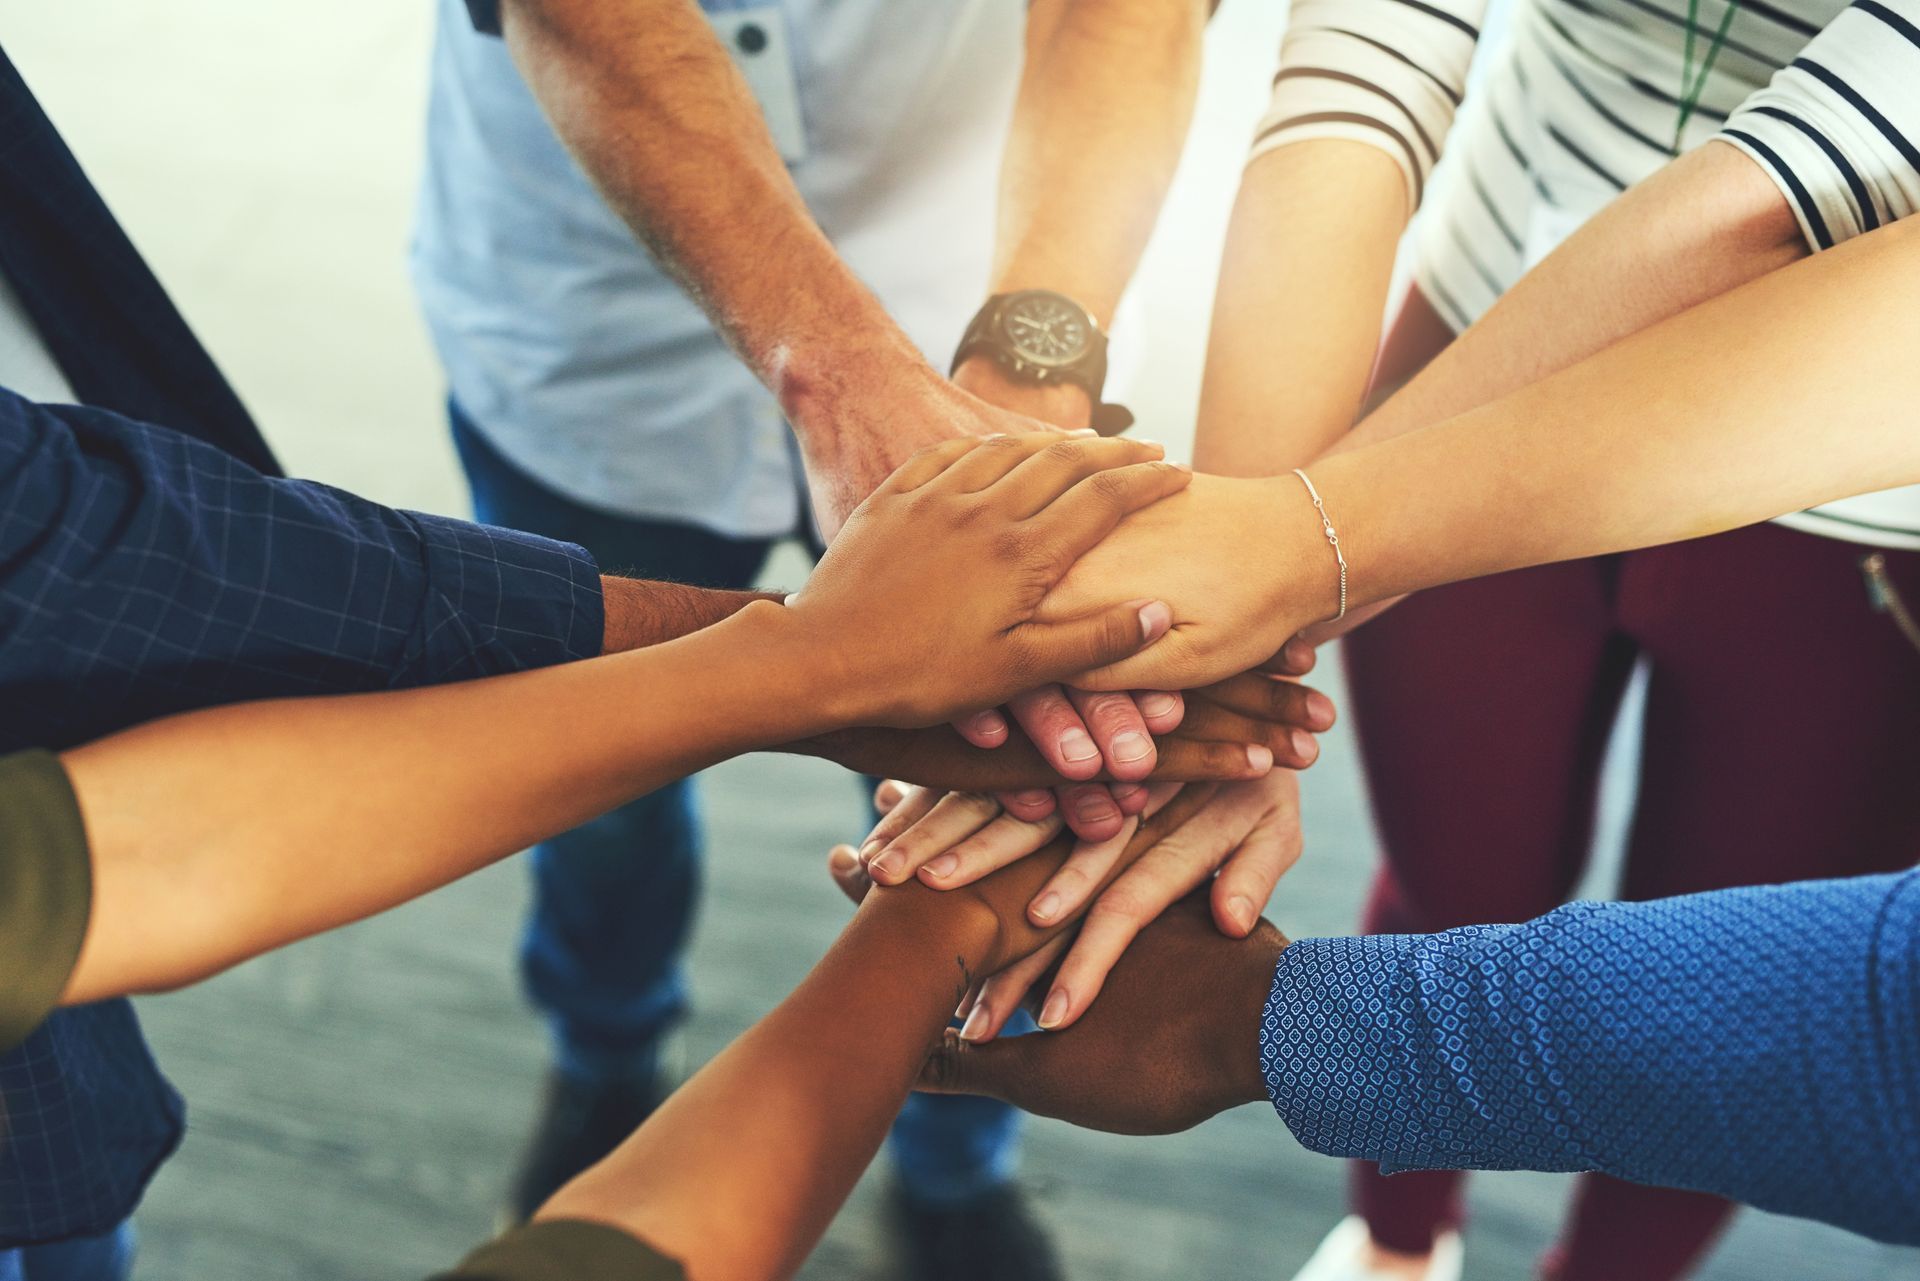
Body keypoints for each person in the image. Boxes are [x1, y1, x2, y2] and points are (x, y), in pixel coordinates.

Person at [410, 1, 1227, 1257]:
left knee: (1001, 777)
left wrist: (1031, 368)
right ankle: (605, 1051)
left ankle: (957, 1148)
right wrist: (837, 373)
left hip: (976, 254)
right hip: (591, 308)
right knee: (595, 781)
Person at [1182, 0, 1920, 1272]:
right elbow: (1373, 43)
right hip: (1493, 320)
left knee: (1717, 991)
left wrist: (1266, 579)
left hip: (1857, 487)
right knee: (1451, 883)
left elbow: (1803, 178)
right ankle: (1395, 1245)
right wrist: (1224, 605)